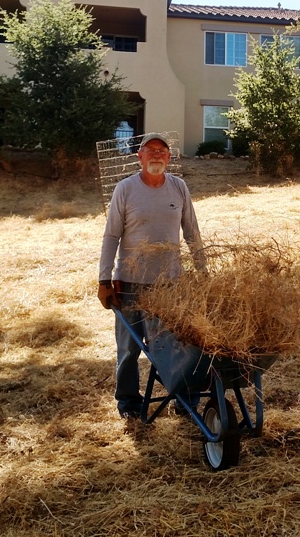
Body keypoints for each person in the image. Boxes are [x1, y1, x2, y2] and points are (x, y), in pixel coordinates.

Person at [98, 132, 205, 419]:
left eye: (162, 151)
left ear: (169, 159)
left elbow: (192, 232)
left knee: (177, 346)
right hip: (130, 284)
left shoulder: (179, 188)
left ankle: (184, 400)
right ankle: (129, 403)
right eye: (151, 150)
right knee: (129, 349)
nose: (156, 155)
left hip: (170, 284)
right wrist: (104, 279)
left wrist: (203, 271)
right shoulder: (126, 189)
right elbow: (111, 236)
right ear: (140, 157)